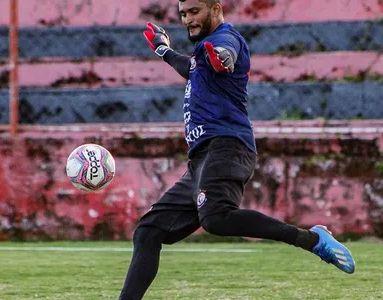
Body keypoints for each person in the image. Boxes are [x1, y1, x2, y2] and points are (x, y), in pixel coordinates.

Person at [118, 0, 355, 299]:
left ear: (215, 9)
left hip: (228, 145)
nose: (188, 19)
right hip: (202, 159)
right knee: (148, 231)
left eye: (195, 11)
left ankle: (311, 240)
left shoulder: (225, 38)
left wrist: (223, 58)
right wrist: (163, 50)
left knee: (216, 218)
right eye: (183, 14)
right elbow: (190, 68)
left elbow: (227, 53)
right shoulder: (202, 52)